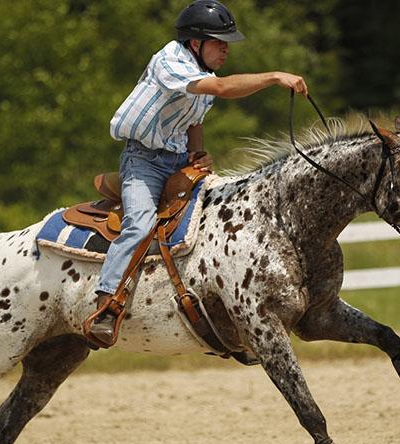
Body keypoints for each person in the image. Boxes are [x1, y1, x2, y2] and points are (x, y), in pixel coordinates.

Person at [88, 0, 309, 345]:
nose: (225, 50)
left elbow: (194, 121)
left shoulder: (201, 76)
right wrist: (274, 76)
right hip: (142, 161)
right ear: (195, 43)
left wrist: (197, 154)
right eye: (219, 42)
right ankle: (106, 305)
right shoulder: (170, 61)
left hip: (177, 160)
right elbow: (220, 90)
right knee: (141, 223)